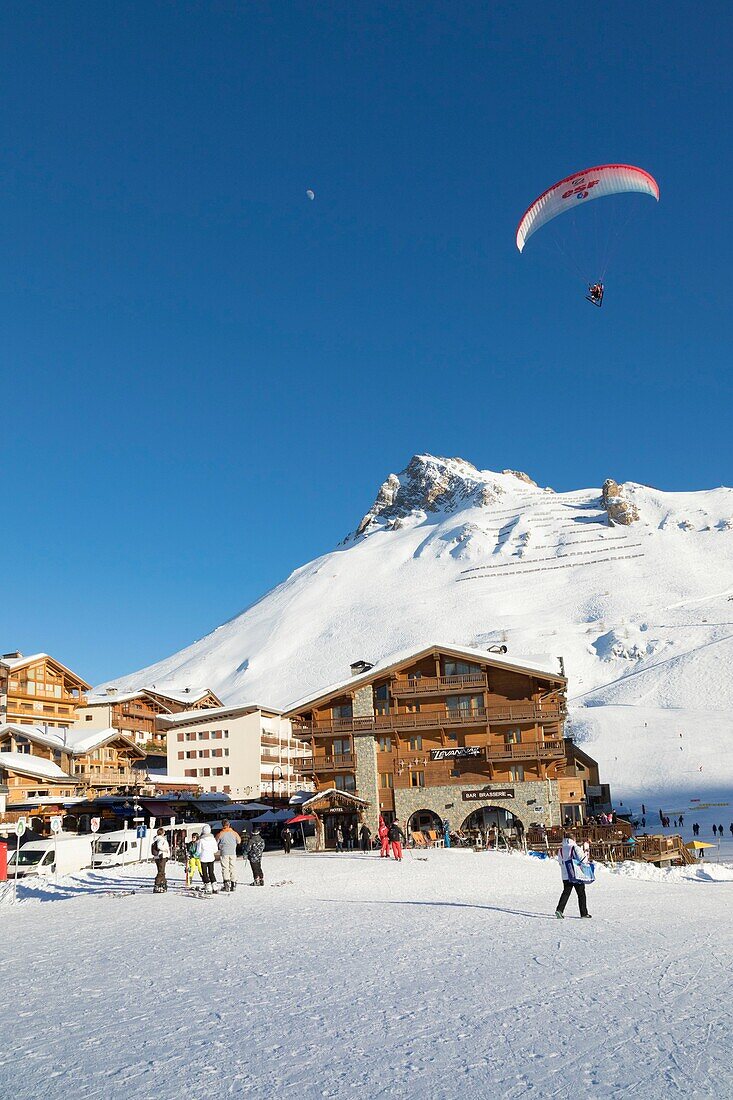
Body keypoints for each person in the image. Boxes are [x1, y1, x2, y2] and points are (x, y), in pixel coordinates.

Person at [555, 830, 592, 919]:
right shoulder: (575, 848)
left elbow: (560, 862)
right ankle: (584, 913)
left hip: (565, 875)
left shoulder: (560, 849)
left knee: (566, 892)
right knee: (581, 893)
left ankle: (559, 910)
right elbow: (583, 860)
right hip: (576, 875)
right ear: (573, 839)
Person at [217, 819, 241, 892]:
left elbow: (216, 842)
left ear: (222, 825)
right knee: (233, 867)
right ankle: (233, 883)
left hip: (224, 852)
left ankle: (226, 883)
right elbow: (239, 841)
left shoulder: (220, 833)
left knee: (225, 868)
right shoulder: (234, 833)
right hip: (233, 852)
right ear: (229, 825)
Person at [196, 824, 219, 894]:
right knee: (211, 872)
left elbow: (198, 851)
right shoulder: (213, 839)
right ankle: (214, 885)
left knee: (204, 872)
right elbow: (216, 849)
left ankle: (207, 885)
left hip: (203, 858)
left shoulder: (201, 840)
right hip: (211, 857)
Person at [151, 828, 170, 893]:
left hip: (157, 857)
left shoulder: (156, 839)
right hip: (162, 856)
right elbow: (159, 846)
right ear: (162, 832)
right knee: (161, 871)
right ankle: (157, 884)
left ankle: (163, 883)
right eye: (164, 831)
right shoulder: (161, 839)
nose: (164, 832)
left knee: (161, 870)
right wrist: (165, 850)